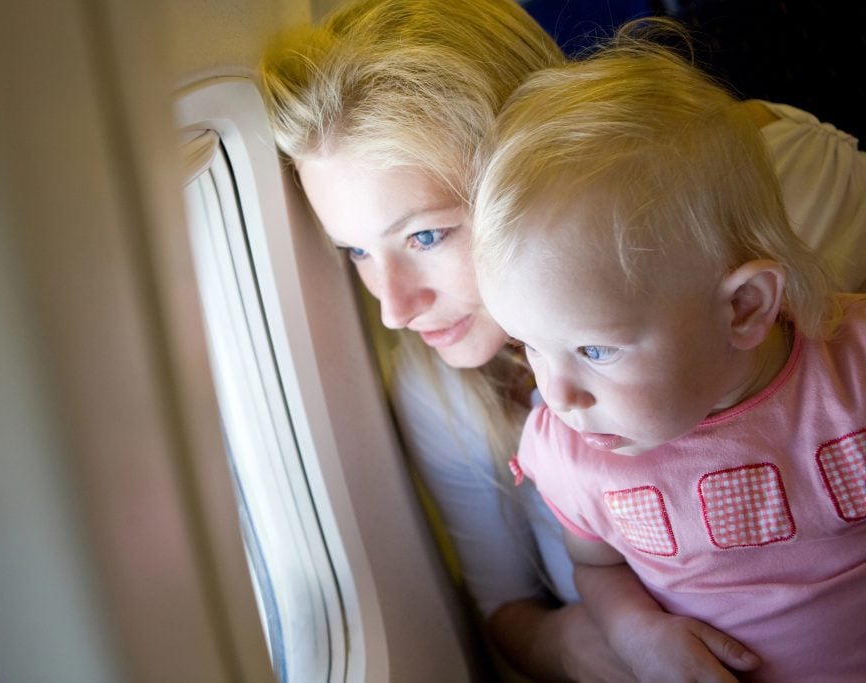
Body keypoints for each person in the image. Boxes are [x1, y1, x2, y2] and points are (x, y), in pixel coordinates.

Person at [259, 0, 866, 679]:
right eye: (356, 253)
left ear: (529, 171)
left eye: (426, 235)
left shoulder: (770, 208)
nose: (395, 308)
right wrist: (605, 637)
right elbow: (504, 607)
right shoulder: (439, 389)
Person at [472, 24, 866, 682]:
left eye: (596, 348)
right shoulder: (574, 455)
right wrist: (635, 632)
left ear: (742, 308)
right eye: (529, 345)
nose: (558, 395)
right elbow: (597, 566)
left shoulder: (851, 367)